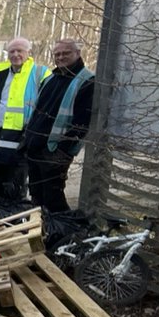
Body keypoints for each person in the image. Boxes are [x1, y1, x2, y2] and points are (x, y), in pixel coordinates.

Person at [21, 38, 95, 212]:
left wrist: (62, 150)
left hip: (54, 151)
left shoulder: (86, 81)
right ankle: (42, 232)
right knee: (37, 197)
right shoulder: (51, 79)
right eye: (57, 54)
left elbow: (82, 122)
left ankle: (64, 232)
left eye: (65, 53)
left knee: (53, 197)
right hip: (35, 147)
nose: (60, 57)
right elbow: (38, 112)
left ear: (77, 54)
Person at [0, 36, 50, 203]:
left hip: (23, 134)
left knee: (17, 176)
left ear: (28, 52)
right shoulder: (0, 73)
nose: (16, 54)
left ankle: (16, 212)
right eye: (12, 51)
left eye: (20, 51)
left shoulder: (40, 73)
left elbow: (47, 105)